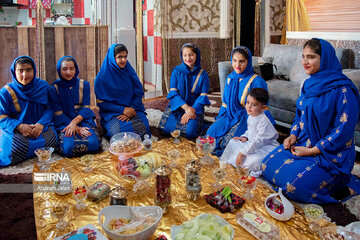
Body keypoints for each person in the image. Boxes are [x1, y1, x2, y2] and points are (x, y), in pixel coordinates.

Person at [262, 38, 360, 203]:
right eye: (303, 56)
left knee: (294, 186)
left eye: (311, 57)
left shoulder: (343, 90)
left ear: (325, 59)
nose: (305, 61)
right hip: (304, 142)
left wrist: (313, 151)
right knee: (266, 165)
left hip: (331, 153)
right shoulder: (309, 83)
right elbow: (300, 115)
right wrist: (293, 135)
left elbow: (343, 130)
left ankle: (344, 187)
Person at [206, 46, 274, 156]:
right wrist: (219, 120)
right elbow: (225, 103)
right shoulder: (230, 78)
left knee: (229, 143)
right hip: (230, 114)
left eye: (242, 61)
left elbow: (263, 107)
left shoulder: (257, 81)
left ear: (248, 61)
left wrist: (259, 129)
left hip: (248, 117)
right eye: (235, 61)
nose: (237, 65)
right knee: (210, 135)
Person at [0, 56, 58, 166]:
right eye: (20, 71)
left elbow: (50, 109)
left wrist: (40, 124)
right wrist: (19, 126)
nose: (25, 75)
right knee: (16, 148)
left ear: (34, 70)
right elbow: (1, 116)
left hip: (41, 127)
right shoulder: (6, 92)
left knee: (52, 141)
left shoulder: (43, 86)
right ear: (14, 72)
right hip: (17, 130)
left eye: (28, 70)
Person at [95, 44, 150, 138]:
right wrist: (123, 110)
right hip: (113, 112)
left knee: (144, 130)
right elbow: (102, 103)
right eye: (120, 57)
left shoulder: (128, 71)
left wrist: (131, 109)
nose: (123, 60)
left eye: (125, 57)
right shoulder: (101, 78)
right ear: (112, 58)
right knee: (119, 134)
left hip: (133, 108)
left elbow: (138, 92)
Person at [49, 56, 101, 157]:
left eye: (71, 69)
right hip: (64, 122)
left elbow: (85, 109)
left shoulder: (84, 85)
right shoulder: (54, 89)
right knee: (68, 148)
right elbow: (58, 114)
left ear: (76, 69)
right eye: (64, 69)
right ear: (59, 70)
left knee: (94, 144)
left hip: (83, 120)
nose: (68, 72)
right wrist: (76, 128)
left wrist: (74, 123)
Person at [220, 88, 279, 177]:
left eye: (254, 105)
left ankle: (249, 169)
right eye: (247, 102)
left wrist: (243, 153)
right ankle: (233, 163)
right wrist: (245, 137)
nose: (249, 107)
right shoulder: (251, 116)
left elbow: (258, 141)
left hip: (265, 148)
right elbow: (250, 131)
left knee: (254, 160)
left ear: (263, 107)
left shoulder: (264, 122)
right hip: (252, 144)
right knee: (233, 142)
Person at [159, 43, 211, 138]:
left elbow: (202, 97)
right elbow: (174, 94)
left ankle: (202, 124)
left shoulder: (203, 74)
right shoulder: (176, 71)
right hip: (178, 105)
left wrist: (190, 112)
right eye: (185, 55)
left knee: (189, 133)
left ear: (197, 55)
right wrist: (187, 109)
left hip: (195, 107)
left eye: (191, 54)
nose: (188, 58)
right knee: (164, 129)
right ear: (181, 56)